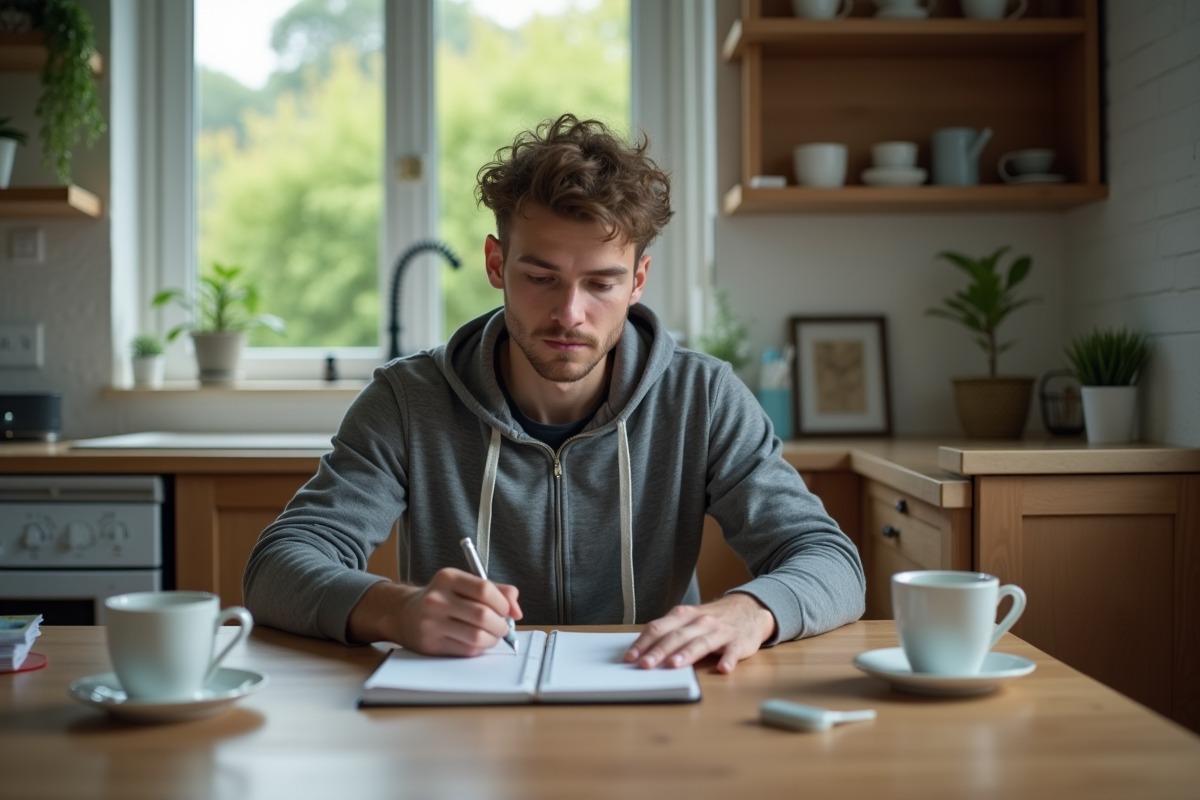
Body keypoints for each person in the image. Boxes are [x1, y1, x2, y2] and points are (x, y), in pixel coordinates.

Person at [243, 114, 864, 674]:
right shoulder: (406, 401)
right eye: (541, 277)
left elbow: (829, 560)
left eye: (601, 283)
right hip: (460, 726)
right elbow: (278, 566)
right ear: (495, 264)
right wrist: (395, 611)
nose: (570, 313)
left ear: (638, 280)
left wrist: (751, 611)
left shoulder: (701, 398)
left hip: (649, 708)